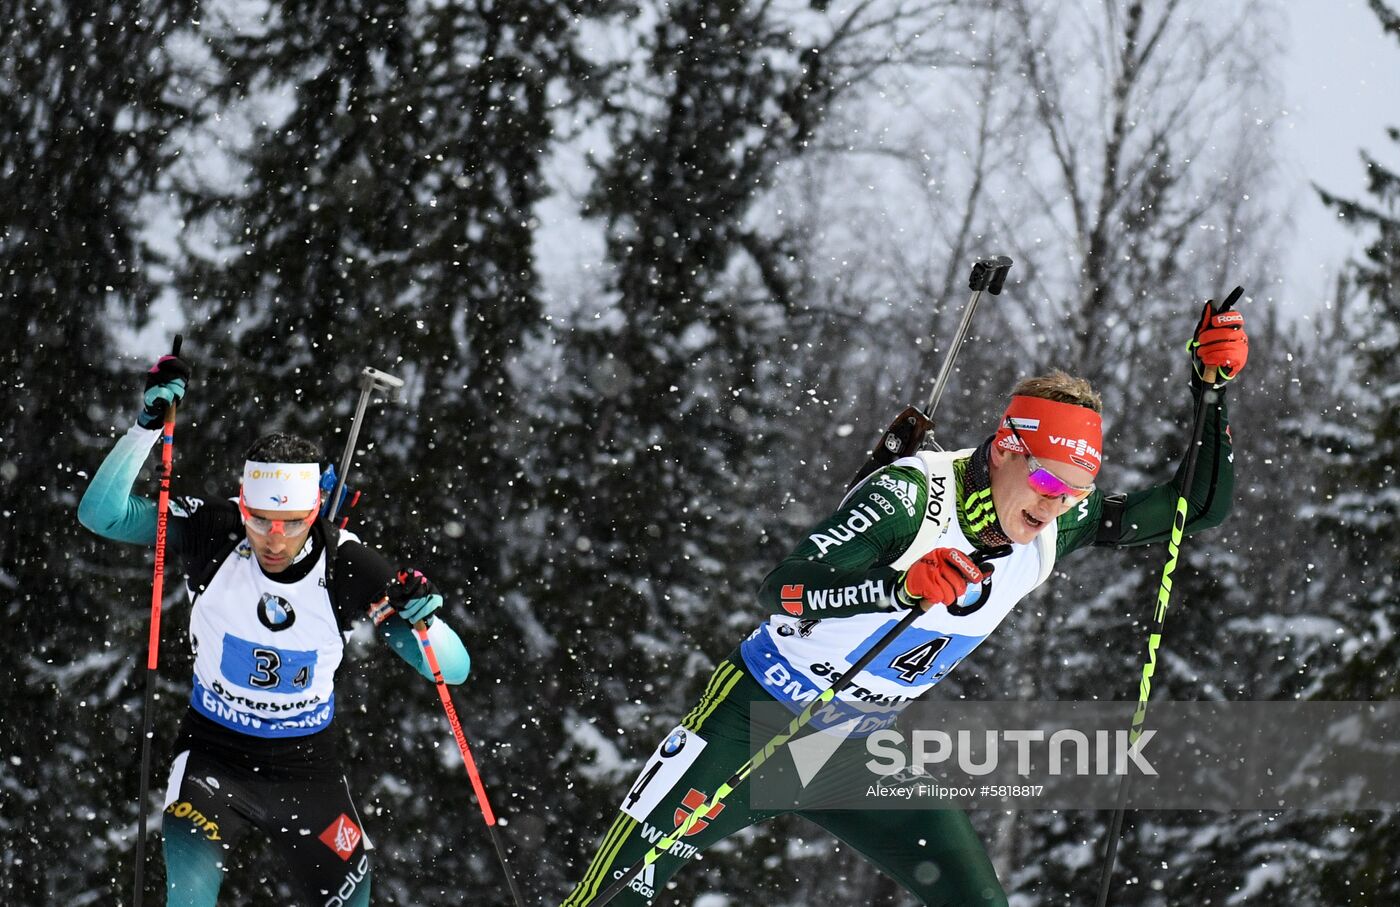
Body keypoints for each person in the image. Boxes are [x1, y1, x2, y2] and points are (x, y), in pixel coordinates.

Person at [560, 302, 1249, 906]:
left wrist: (1210, 394)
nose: (1053, 503)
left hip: (851, 750)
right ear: (1005, 446)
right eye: (1043, 477)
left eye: (1073, 489)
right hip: (757, 716)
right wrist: (901, 587)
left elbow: (1198, 508)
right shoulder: (912, 498)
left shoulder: (1057, 521)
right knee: (614, 894)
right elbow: (785, 588)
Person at [78, 353, 472, 907]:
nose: (275, 538)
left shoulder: (349, 565)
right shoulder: (214, 530)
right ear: (243, 504)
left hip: (307, 768)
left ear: (317, 512)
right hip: (214, 755)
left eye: (292, 523)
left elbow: (451, 668)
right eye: (260, 518)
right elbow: (103, 515)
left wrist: (422, 618)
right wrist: (147, 426)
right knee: (189, 897)